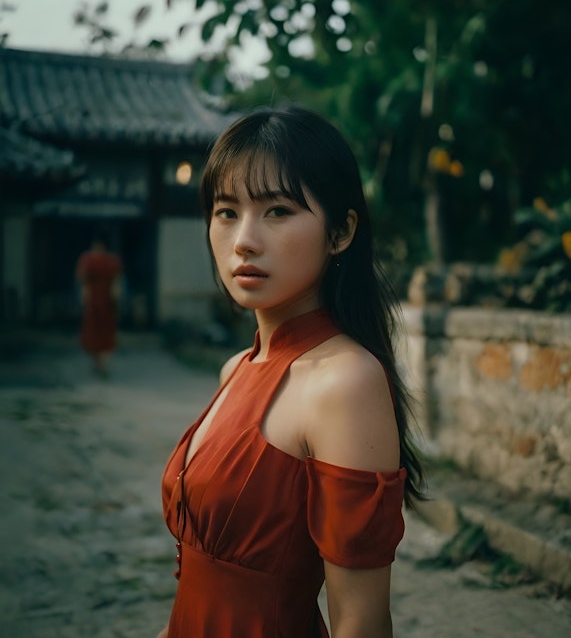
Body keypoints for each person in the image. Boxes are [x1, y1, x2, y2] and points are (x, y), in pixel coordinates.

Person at [158, 105, 425, 638]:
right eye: (226, 211)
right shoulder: (236, 368)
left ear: (341, 231)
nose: (244, 241)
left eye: (277, 211)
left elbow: (362, 621)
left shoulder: (344, 382)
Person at [75, 231, 122, 377]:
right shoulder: (88, 259)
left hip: (104, 299)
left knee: (104, 331)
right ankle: (98, 362)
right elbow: (83, 281)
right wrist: (84, 296)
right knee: (94, 331)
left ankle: (101, 363)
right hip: (96, 298)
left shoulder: (111, 260)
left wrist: (115, 297)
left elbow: (116, 281)